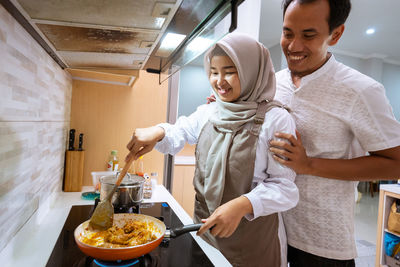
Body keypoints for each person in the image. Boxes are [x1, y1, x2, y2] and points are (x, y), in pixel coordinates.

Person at [125, 32, 299, 267]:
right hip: (205, 233)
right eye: (214, 72)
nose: (219, 80)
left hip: (252, 242)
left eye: (229, 71)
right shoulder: (211, 111)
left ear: (251, 71)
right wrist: (158, 131)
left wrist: (243, 204)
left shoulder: (276, 119)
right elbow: (181, 132)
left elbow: (285, 188)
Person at [268, 0, 400, 266]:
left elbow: (396, 164)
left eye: (308, 35)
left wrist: (309, 164)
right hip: (270, 231)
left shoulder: (361, 91)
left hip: (322, 245)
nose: (293, 46)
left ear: (336, 34)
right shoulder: (271, 82)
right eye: (287, 33)